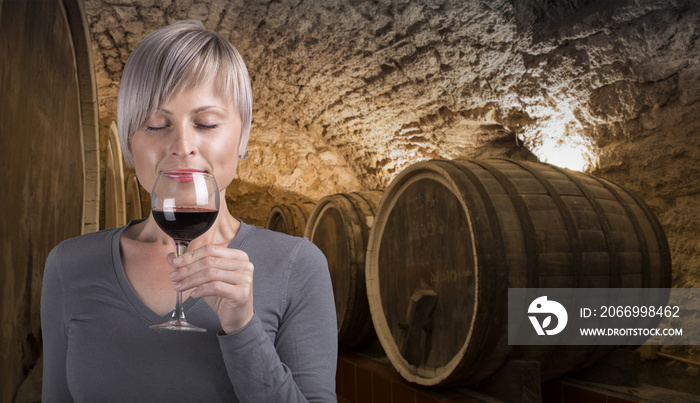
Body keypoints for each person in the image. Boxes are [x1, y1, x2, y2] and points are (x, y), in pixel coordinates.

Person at [41, 20, 337, 402]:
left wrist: (241, 327)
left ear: (242, 134)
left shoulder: (298, 266)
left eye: (206, 123)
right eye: (155, 123)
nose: (182, 145)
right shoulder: (69, 265)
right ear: (130, 141)